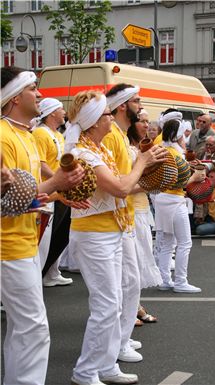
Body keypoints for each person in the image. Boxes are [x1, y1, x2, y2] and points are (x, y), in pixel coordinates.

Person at [64, 90, 166, 385]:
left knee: (116, 300)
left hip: (111, 230)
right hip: (94, 235)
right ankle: (84, 371)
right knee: (106, 304)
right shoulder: (84, 153)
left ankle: (106, 364)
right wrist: (142, 163)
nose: (111, 117)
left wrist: (144, 170)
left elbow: (123, 185)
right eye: (107, 114)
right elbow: (120, 188)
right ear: (95, 122)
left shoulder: (99, 149)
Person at [0, 67, 87, 385]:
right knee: (33, 327)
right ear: (13, 97)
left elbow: (31, 187)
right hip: (8, 245)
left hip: (22, 241)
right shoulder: (3, 136)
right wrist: (58, 184)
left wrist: (63, 193)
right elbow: (7, 198)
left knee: (23, 326)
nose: (39, 94)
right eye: (33, 88)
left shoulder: (24, 134)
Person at [103, 83, 144, 363]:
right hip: (112, 221)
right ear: (122, 105)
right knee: (126, 285)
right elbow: (119, 184)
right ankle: (118, 345)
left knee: (130, 283)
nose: (141, 106)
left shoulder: (120, 135)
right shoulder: (111, 137)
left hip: (124, 218)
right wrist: (150, 175)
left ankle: (123, 338)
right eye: (137, 101)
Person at [154, 109, 202, 293]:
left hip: (163, 200)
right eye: (184, 135)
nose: (186, 139)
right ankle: (180, 281)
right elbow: (177, 181)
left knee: (168, 242)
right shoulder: (174, 154)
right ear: (178, 136)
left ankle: (165, 279)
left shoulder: (164, 150)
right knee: (184, 243)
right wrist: (195, 178)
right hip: (174, 200)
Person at [32, 97, 73, 286]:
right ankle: (36, 277)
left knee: (60, 234)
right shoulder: (41, 133)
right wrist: (57, 181)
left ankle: (51, 272)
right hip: (47, 190)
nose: (64, 112)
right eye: (61, 109)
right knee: (45, 237)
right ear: (52, 113)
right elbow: (41, 164)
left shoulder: (57, 134)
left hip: (59, 188)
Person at [127, 109, 162, 325]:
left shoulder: (140, 148)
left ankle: (135, 306)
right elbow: (126, 183)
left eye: (149, 122)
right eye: (142, 121)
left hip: (142, 209)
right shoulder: (128, 148)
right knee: (135, 263)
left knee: (140, 260)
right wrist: (152, 182)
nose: (147, 126)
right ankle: (131, 309)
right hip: (131, 211)